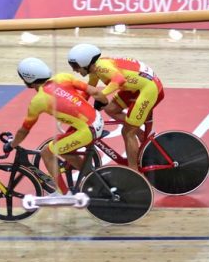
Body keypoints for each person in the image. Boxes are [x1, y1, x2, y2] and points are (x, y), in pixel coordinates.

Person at [4, 58, 106, 195]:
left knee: (47, 152)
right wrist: (104, 103)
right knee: (62, 147)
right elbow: (95, 92)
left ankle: (63, 194)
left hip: (88, 130)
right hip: (98, 119)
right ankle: (93, 178)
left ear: (27, 79)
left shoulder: (38, 101)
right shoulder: (63, 77)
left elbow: (24, 131)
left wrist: (12, 145)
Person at [68, 44, 164, 172]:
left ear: (85, 62)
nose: (74, 70)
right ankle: (140, 132)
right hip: (136, 86)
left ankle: (134, 173)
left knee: (127, 132)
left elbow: (119, 79)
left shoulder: (102, 67)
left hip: (148, 89)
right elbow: (88, 91)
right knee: (111, 109)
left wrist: (101, 95)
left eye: (75, 66)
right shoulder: (95, 70)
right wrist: (75, 105)